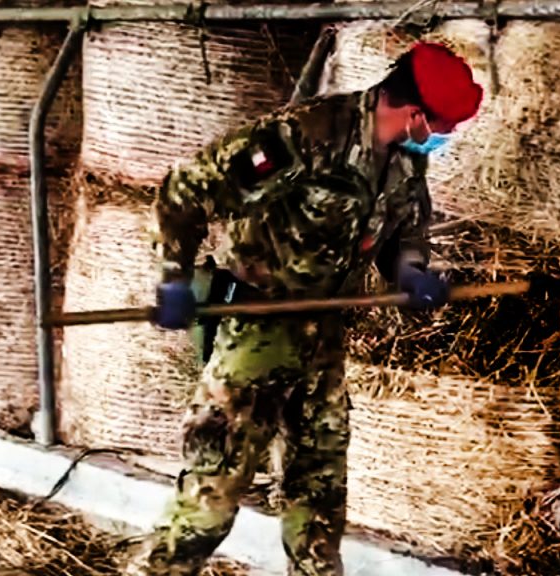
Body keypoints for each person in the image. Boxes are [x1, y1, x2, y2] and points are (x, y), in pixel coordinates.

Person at [125, 41, 484, 576]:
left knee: (317, 498)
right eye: (442, 127)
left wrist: (410, 273)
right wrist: (173, 277)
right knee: (211, 501)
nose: (443, 139)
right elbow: (187, 190)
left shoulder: (406, 160)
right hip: (255, 335)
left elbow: (406, 231)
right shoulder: (306, 134)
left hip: (322, 340)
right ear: (413, 113)